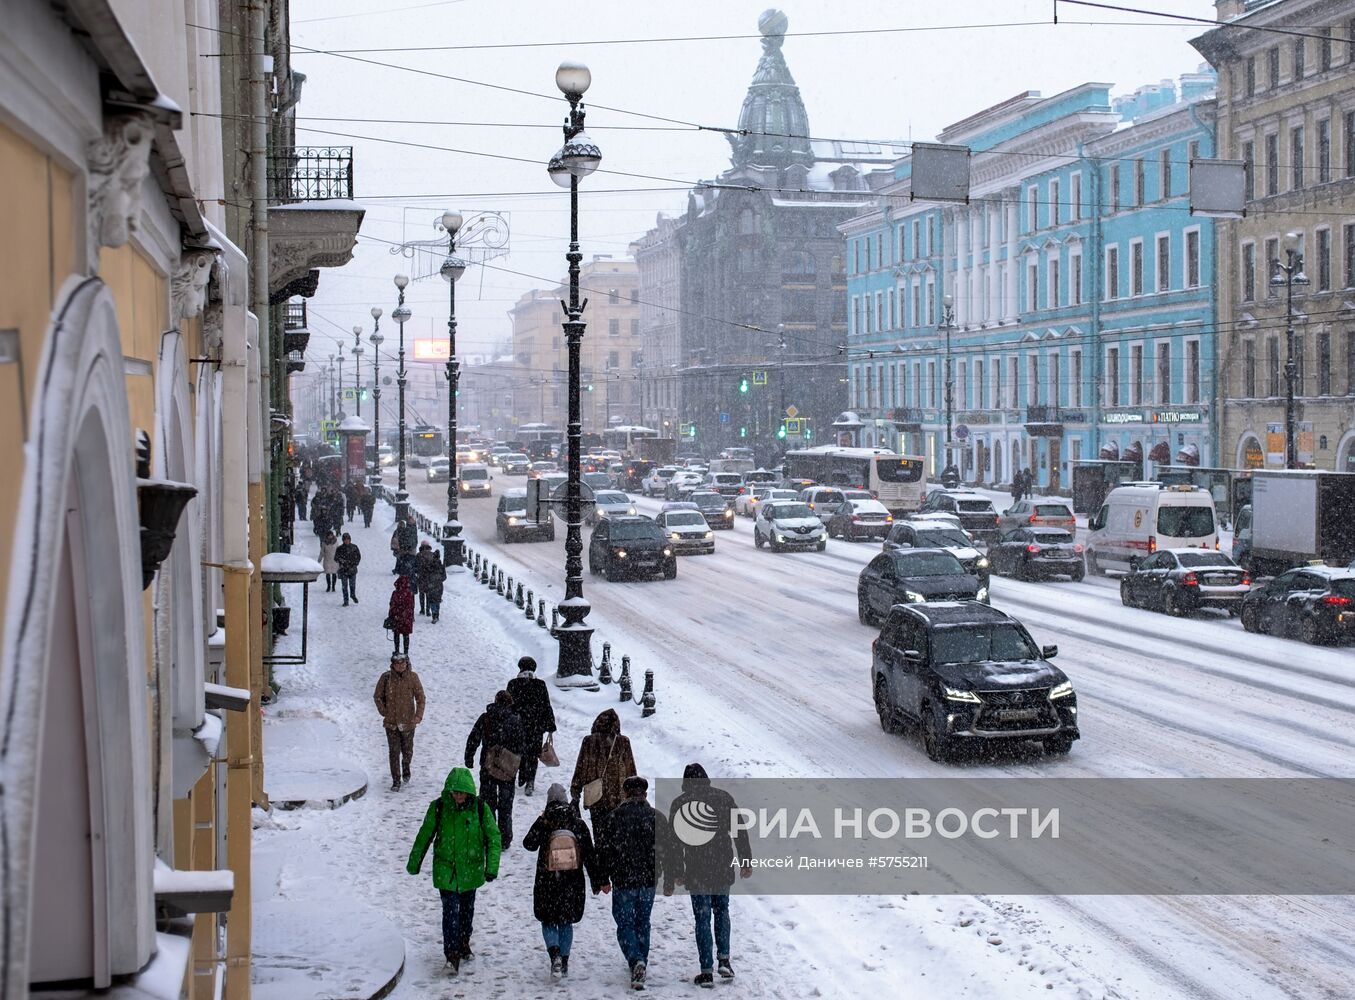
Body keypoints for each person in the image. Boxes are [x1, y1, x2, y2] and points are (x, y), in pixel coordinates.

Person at [407, 767, 501, 974]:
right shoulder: (439, 807)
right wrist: (414, 862)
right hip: (446, 869)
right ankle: (451, 955)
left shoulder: (479, 808)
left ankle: (463, 941)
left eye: (461, 792)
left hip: (471, 870)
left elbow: (493, 837)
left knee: (466, 911)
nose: (458, 796)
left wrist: (491, 867)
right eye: (454, 791)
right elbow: (425, 835)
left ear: (469, 792)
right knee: (450, 912)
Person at [667, 763, 752, 987]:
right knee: (722, 911)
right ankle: (724, 960)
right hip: (721, 865)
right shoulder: (723, 798)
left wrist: (677, 871)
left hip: (696, 868)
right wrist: (745, 860)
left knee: (702, 918)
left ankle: (706, 971)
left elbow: (674, 843)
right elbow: (739, 830)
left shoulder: (680, 803)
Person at [521, 783, 605, 981]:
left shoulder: (546, 821)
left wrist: (541, 822)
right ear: (566, 801)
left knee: (548, 919)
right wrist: (597, 880)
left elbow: (529, 844)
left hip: (547, 879)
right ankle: (564, 960)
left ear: (549, 801)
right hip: (572, 881)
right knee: (566, 921)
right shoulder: (577, 823)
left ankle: (554, 954)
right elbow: (590, 855)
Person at [599, 776, 675, 991]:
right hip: (648, 880)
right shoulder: (656, 818)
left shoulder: (613, 817)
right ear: (644, 794)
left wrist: (602, 878)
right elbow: (668, 851)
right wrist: (669, 879)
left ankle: (635, 960)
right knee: (643, 921)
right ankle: (640, 960)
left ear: (625, 794)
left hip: (623, 880)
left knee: (625, 924)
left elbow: (604, 851)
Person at [464, 691, 526, 849]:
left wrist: (469, 757)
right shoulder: (515, 720)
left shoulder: (486, 718)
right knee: (506, 806)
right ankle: (504, 839)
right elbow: (521, 746)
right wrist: (523, 769)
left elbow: (474, 738)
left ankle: (488, 836)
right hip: (508, 768)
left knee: (487, 803)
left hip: (488, 765)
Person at [570, 708, 637, 847]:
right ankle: (614, 862)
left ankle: (602, 861)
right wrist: (636, 794)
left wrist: (575, 791)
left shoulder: (589, 741)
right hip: (618, 798)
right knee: (617, 835)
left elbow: (580, 768)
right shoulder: (623, 742)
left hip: (596, 797)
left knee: (599, 835)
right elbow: (631, 770)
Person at [374, 652, 425, 791]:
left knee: (407, 751)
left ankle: (406, 766)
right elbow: (377, 696)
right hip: (391, 723)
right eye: (397, 663)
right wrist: (384, 711)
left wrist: (418, 715)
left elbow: (420, 698)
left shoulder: (413, 677)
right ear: (393, 665)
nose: (400, 666)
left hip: (408, 723)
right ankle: (396, 780)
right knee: (394, 752)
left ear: (407, 663)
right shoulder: (386, 678)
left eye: (403, 663)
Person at [507, 656, 557, 797]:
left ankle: (522, 774)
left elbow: (508, 706)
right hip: (536, 727)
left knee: (518, 751)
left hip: (518, 726)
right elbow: (546, 705)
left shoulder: (513, 684)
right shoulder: (540, 685)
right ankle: (530, 781)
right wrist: (550, 725)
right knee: (533, 754)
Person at [387, 576, 414, 654]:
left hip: (397, 617)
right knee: (406, 635)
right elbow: (412, 606)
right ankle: (406, 652)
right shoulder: (409, 593)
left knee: (396, 634)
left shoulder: (395, 593)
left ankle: (397, 650)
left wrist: (391, 615)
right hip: (407, 618)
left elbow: (392, 605)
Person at [335, 531, 362, 606]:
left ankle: (352, 595)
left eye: (348, 539)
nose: (347, 541)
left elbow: (358, 557)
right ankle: (346, 600)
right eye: (345, 539)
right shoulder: (340, 548)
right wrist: (342, 562)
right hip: (343, 570)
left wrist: (355, 563)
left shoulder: (354, 547)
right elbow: (336, 558)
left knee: (352, 585)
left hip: (352, 569)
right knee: (344, 586)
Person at [422, 549, 446, 623]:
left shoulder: (429, 565)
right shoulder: (441, 566)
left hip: (431, 585)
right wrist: (439, 579)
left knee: (432, 601)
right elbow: (444, 577)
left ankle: (434, 615)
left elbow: (425, 575)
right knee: (437, 600)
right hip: (438, 585)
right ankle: (437, 615)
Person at [415, 541, 439, 616]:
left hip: (421, 576)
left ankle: (422, 609)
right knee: (428, 594)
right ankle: (428, 610)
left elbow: (416, 566)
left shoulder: (418, 555)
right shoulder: (432, 554)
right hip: (429, 577)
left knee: (421, 593)